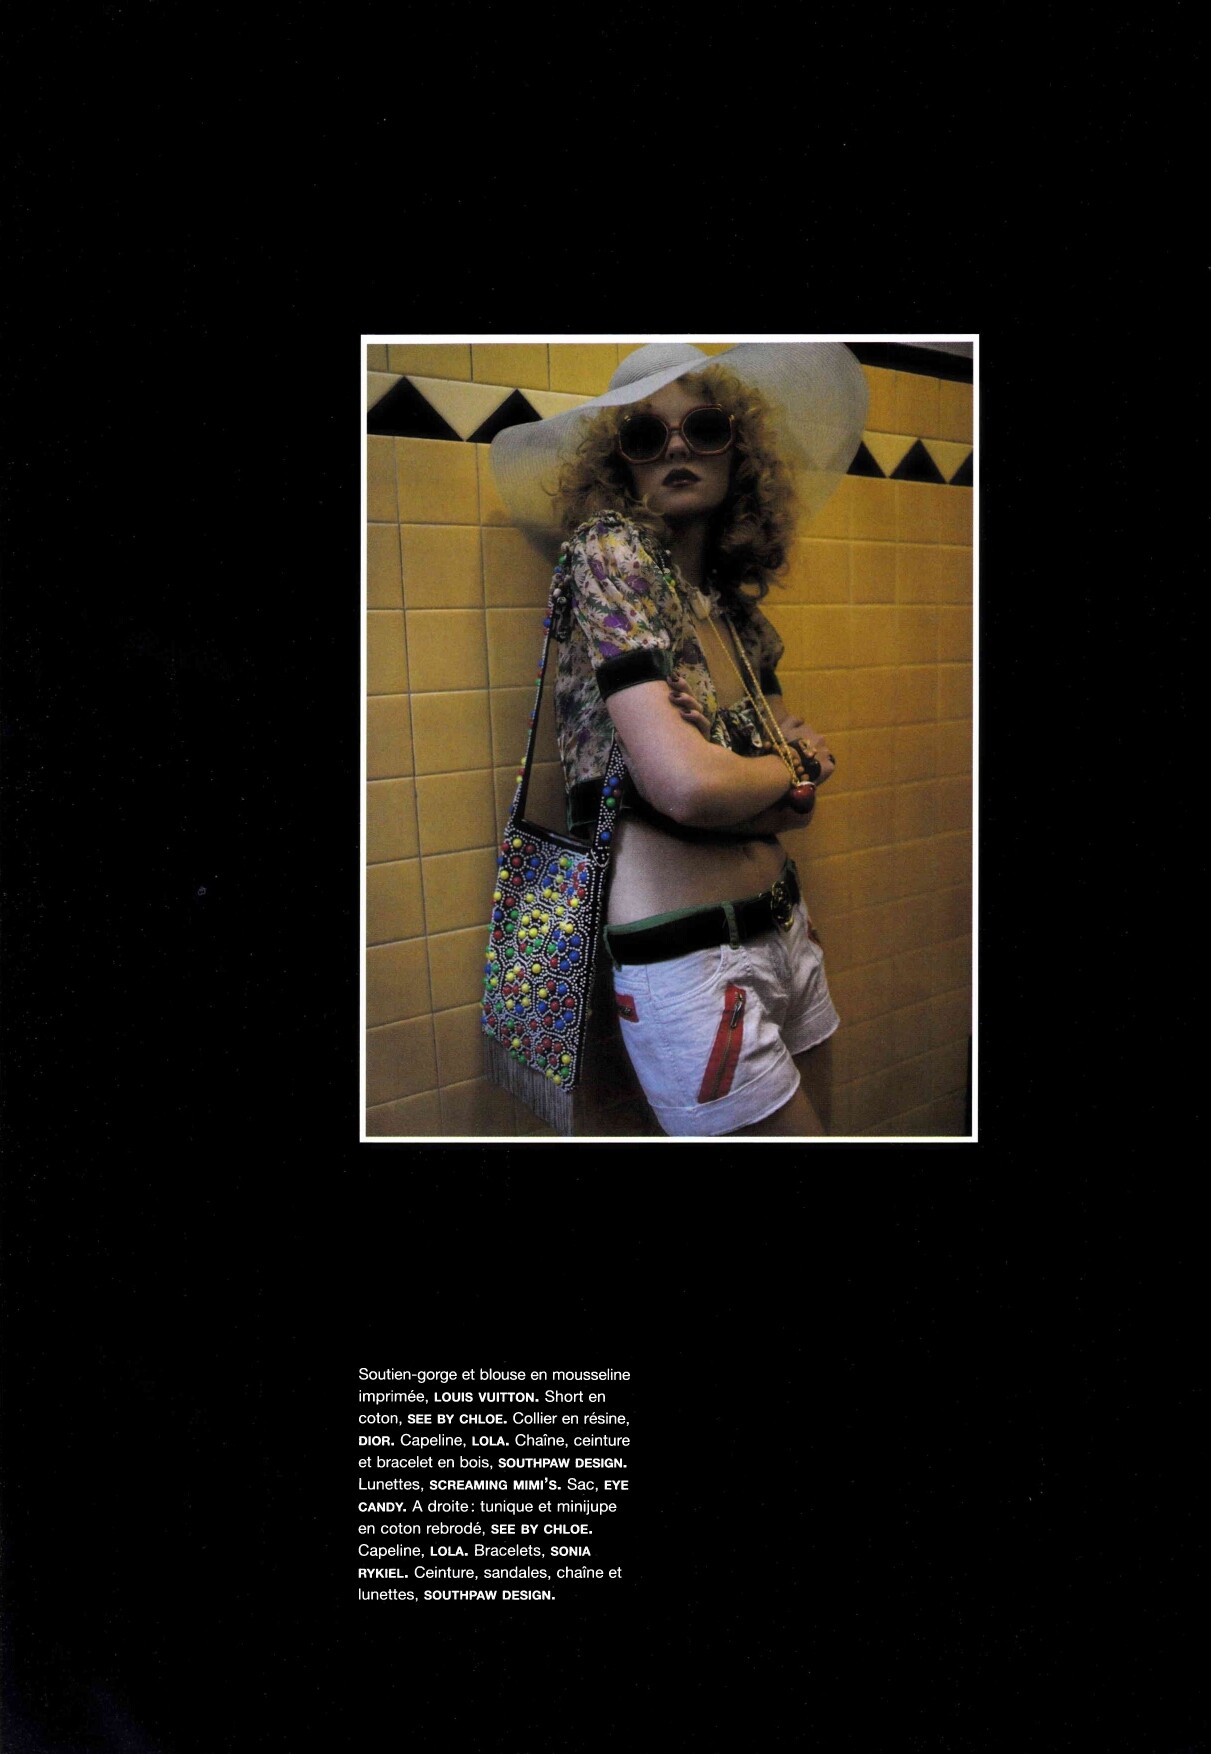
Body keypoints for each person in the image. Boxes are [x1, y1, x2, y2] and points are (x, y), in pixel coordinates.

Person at [490, 342, 868, 1137]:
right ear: (620, 465)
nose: (675, 449)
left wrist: (760, 774)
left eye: (702, 427)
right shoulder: (609, 552)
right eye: (644, 436)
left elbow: (791, 809)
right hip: (694, 958)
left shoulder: (729, 609)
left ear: (737, 450)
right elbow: (691, 788)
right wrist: (790, 761)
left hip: (786, 925)